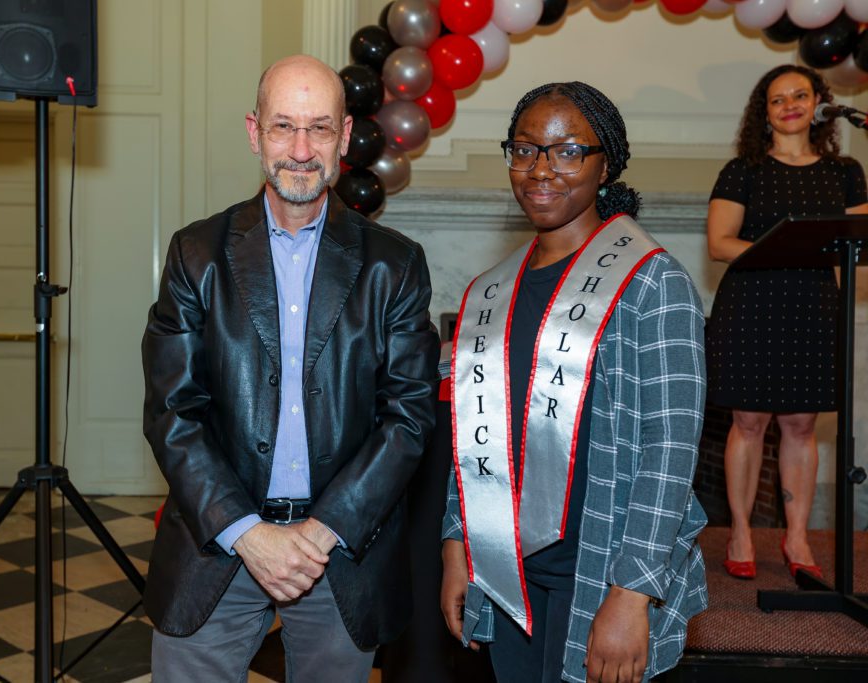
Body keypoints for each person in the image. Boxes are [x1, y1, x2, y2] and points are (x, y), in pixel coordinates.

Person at [141, 54, 439, 682]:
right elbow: (174, 411)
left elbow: (409, 417)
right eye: (283, 127)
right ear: (255, 132)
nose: (301, 150)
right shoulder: (197, 254)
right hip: (218, 540)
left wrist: (322, 533)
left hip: (342, 548)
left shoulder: (396, 265)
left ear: (347, 136)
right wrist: (249, 533)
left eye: (319, 128)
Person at [439, 82, 708, 683]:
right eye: (526, 149)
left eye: (567, 152)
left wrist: (632, 593)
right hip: (508, 573)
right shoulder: (492, 291)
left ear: (605, 162)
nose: (541, 170)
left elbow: (671, 449)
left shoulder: (651, 282)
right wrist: (457, 546)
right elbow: (474, 434)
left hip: (604, 569)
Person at [705, 65, 868, 582]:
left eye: (801, 95)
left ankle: (796, 535)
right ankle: (741, 530)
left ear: (820, 102)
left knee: (801, 425)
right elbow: (719, 241)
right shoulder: (744, 170)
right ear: (765, 112)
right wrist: (781, 248)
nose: (790, 105)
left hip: (814, 307)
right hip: (754, 303)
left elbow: (859, 243)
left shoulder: (845, 172)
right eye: (778, 99)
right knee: (748, 422)